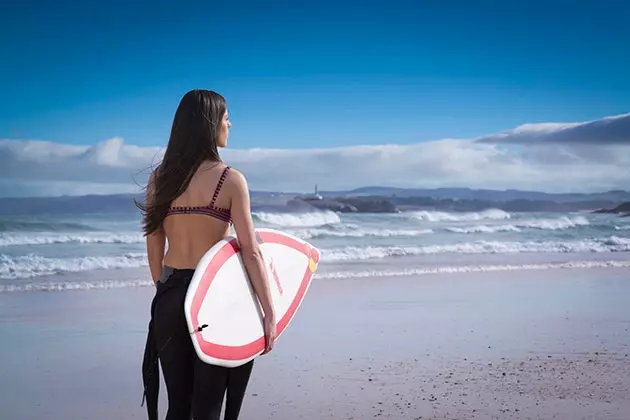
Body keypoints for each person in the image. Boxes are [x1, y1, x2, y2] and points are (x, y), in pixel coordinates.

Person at [137, 89, 277, 420]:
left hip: (171, 299)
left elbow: (154, 243)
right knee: (208, 408)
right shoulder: (231, 180)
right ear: (210, 124)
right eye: (226, 118)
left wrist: (165, 291)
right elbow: (251, 252)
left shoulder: (159, 180)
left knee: (178, 406)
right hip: (213, 301)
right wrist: (270, 311)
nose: (230, 124)